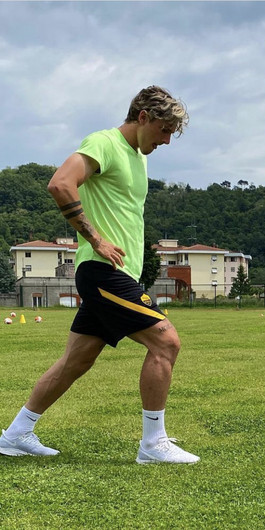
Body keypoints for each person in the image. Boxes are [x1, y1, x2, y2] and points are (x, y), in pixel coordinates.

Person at [0, 86, 199, 464]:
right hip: (102, 271)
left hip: (120, 274)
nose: (167, 140)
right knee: (166, 342)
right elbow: (60, 183)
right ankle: (153, 444)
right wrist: (95, 238)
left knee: (76, 361)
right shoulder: (103, 143)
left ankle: (15, 434)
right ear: (143, 117)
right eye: (164, 129)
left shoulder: (138, 158)